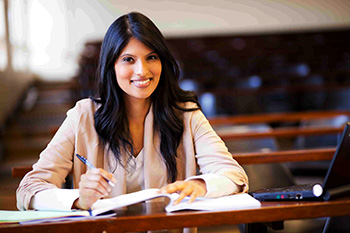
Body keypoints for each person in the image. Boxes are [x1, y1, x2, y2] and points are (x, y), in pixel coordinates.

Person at [17, 12, 248, 217]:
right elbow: (29, 189)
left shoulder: (186, 114)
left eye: (151, 57)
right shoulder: (83, 115)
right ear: (112, 66)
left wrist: (201, 185)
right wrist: (79, 199)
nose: (142, 71)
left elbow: (233, 175)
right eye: (129, 59)